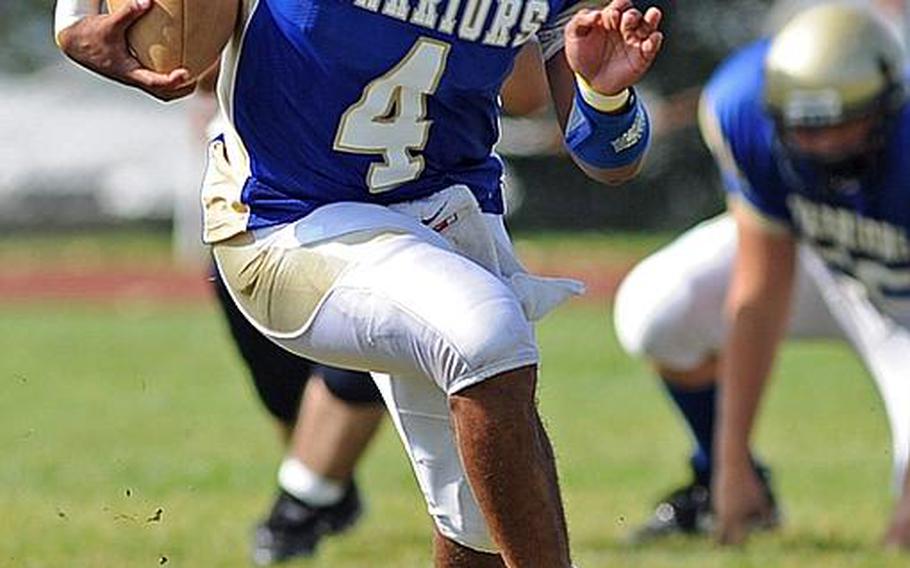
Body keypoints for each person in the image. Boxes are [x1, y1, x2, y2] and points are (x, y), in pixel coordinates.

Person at [55, 0, 664, 564]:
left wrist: (605, 95)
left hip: (448, 218)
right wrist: (72, 15)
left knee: (475, 517)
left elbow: (608, 160)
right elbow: (179, 57)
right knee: (489, 333)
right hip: (287, 220)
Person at [613, 1, 910, 548]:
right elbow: (761, 285)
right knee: (658, 308)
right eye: (805, 128)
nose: (820, 148)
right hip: (820, 257)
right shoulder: (745, 101)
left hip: (901, 309)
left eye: (842, 126)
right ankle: (721, 482)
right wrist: (730, 465)